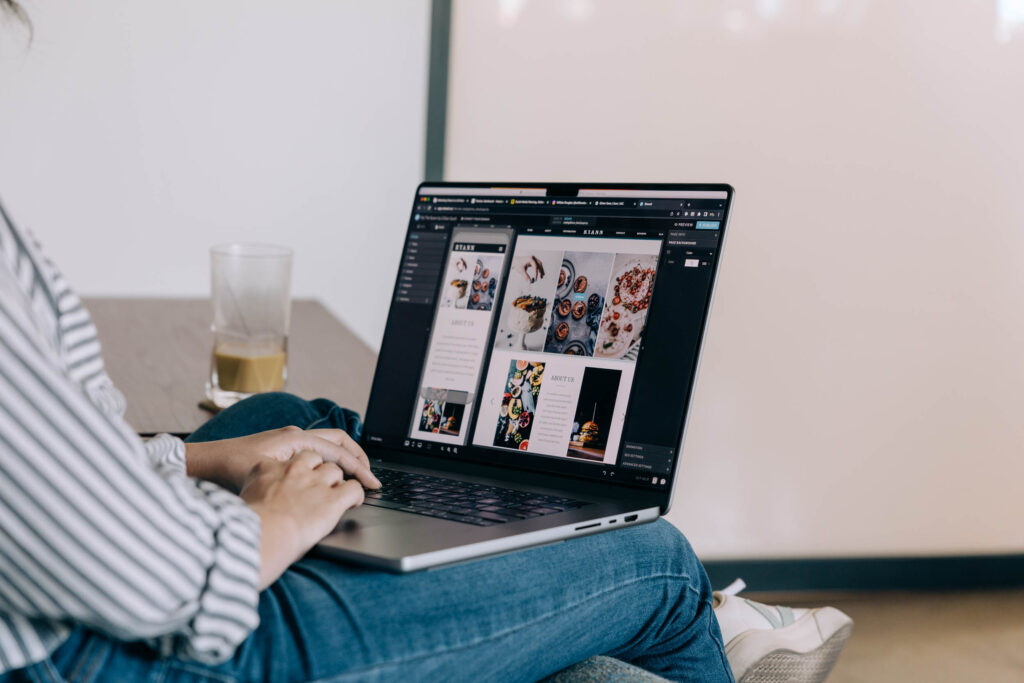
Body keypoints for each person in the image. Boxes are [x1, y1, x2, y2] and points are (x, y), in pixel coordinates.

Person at [0, 6, 851, 682]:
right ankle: (686, 623)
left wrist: (189, 463)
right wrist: (269, 521)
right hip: (118, 651)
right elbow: (159, 582)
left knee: (318, 423)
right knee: (654, 559)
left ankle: (543, 616)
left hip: (75, 596)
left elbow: (36, 473)